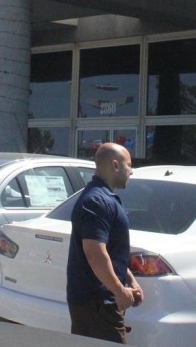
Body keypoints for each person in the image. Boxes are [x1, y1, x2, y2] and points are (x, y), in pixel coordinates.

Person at [66, 142, 143, 344]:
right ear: (115, 165)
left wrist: (129, 280)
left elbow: (109, 251)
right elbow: (95, 253)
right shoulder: (96, 201)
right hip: (96, 303)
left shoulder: (104, 198)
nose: (132, 171)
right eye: (129, 165)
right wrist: (119, 291)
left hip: (101, 302)